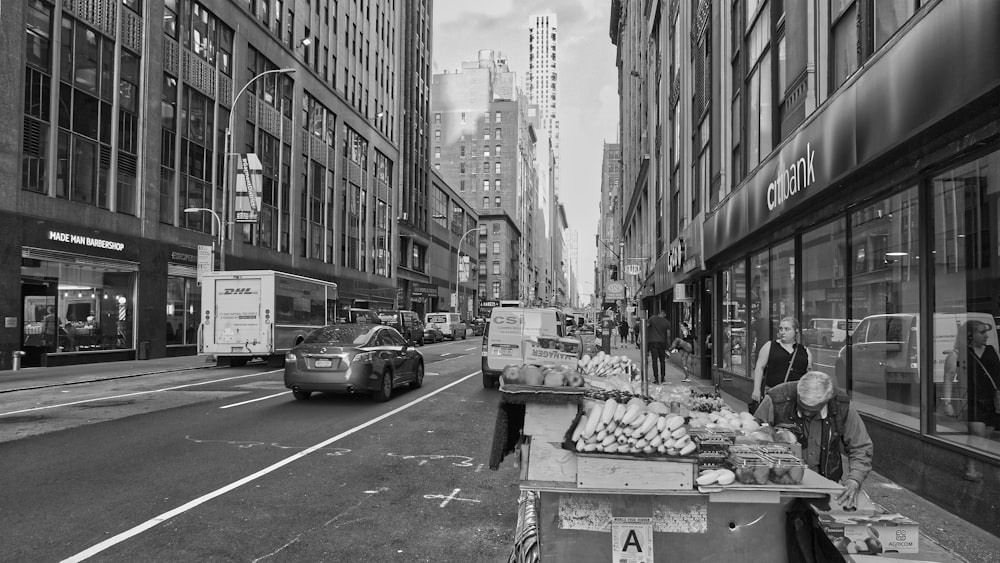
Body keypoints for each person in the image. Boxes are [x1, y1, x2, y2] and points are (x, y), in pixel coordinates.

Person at [754, 371, 873, 510]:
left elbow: (861, 447)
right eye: (803, 407)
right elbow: (751, 437)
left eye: (813, 410)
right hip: (780, 486)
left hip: (824, 486)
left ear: (827, 400)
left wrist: (854, 479)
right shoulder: (776, 399)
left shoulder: (842, 405)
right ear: (798, 394)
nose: (806, 413)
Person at [943, 320, 1000, 429]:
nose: (986, 336)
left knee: (989, 434)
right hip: (972, 402)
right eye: (982, 333)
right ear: (970, 335)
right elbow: (948, 378)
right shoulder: (957, 354)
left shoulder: (993, 351)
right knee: (979, 433)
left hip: (994, 401)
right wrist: (947, 403)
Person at [751, 317, 812, 406]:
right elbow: (759, 367)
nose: (782, 332)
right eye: (781, 329)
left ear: (796, 331)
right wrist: (756, 390)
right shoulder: (770, 346)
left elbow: (809, 374)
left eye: (787, 329)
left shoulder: (804, 351)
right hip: (773, 394)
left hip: (797, 397)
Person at [646, 309, 670, 384]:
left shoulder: (652, 319)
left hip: (653, 342)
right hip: (662, 342)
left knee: (654, 360)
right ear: (664, 314)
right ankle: (662, 378)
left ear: (658, 313)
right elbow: (668, 335)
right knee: (662, 361)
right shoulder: (667, 322)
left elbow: (646, 327)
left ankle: (656, 379)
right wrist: (667, 346)